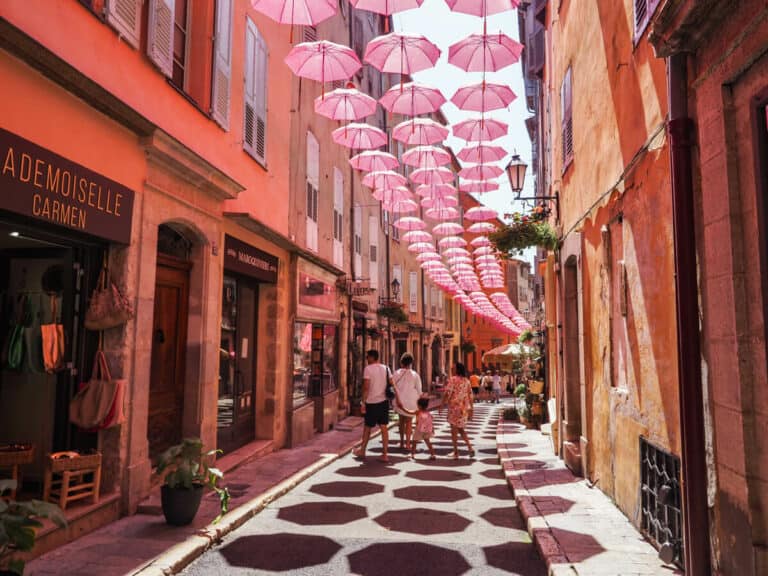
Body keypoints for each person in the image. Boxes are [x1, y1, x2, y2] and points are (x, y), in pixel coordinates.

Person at [354, 349, 395, 463]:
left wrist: (363, 402)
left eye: (367, 357)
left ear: (372, 357)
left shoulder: (368, 369)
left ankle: (362, 451)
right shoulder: (386, 368)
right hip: (383, 402)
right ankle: (385, 454)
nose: (367, 359)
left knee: (367, 428)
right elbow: (392, 383)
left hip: (371, 402)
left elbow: (366, 387)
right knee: (384, 428)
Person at [442, 362, 474, 459]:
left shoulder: (453, 380)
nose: (452, 369)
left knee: (454, 430)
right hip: (463, 409)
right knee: (461, 429)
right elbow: (470, 395)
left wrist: (441, 403)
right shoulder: (467, 381)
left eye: (453, 368)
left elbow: (447, 392)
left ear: (457, 370)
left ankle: (456, 452)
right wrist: (471, 408)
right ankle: (470, 447)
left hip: (454, 408)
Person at [392, 352, 422, 451]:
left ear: (401, 362)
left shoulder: (396, 373)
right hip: (412, 401)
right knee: (409, 422)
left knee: (401, 421)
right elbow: (419, 390)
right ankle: (408, 444)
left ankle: (401, 442)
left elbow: (393, 386)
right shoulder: (415, 375)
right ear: (411, 363)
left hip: (400, 400)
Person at [408, 396, 436, 460]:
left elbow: (409, 412)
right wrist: (432, 429)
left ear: (419, 406)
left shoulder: (418, 412)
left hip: (418, 429)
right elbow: (431, 422)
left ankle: (412, 454)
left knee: (414, 442)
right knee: (428, 442)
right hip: (427, 430)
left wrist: (402, 408)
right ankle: (433, 454)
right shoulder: (428, 413)